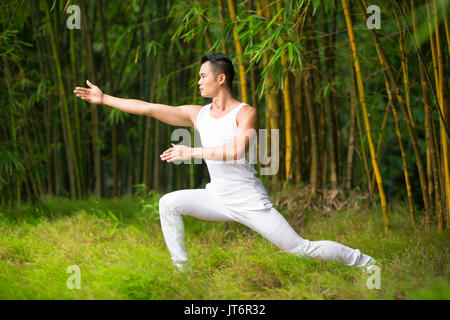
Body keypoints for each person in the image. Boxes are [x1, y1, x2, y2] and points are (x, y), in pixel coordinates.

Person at [74, 53, 376, 273]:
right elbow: (150, 108)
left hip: (248, 200)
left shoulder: (246, 113)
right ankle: (183, 274)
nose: (198, 82)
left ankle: (365, 263)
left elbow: (236, 150)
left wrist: (190, 152)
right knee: (169, 203)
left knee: (300, 249)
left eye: (203, 76)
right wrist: (105, 99)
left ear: (221, 78)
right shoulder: (198, 113)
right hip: (217, 196)